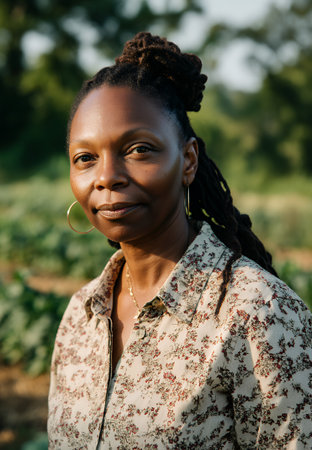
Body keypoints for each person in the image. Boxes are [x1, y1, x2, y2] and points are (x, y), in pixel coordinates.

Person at [48, 32, 312, 449]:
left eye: (138, 149)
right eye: (85, 158)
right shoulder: (81, 315)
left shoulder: (257, 313)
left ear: (187, 160)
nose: (106, 176)